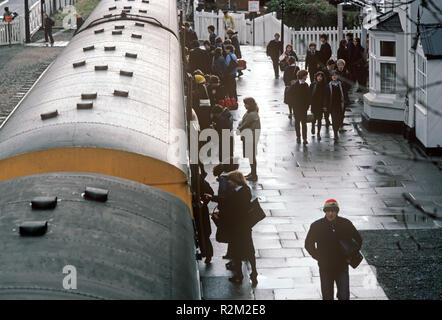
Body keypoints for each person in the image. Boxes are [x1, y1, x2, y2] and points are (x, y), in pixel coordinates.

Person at [205, 171, 258, 286]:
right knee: (249, 251)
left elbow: (233, 209)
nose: (228, 182)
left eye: (230, 180)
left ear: (236, 181)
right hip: (244, 228)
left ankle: (240, 276)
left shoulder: (241, 193)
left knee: (238, 253)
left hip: (239, 229)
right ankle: (253, 273)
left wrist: (221, 215)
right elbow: (227, 201)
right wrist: (213, 198)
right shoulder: (243, 190)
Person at [305, 199, 362, 300]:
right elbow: (309, 245)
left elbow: (358, 240)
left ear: (337, 211)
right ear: (325, 211)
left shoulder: (345, 224)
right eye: (328, 211)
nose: (331, 213)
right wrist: (319, 257)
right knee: (327, 296)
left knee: (344, 296)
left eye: (333, 211)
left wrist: (351, 255)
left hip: (342, 265)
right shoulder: (317, 226)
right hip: (325, 267)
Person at [237, 97, 261, 181]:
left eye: (246, 104)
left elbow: (244, 124)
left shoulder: (252, 114)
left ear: (249, 104)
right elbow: (243, 122)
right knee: (251, 156)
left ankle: (254, 175)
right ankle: (252, 173)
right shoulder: (250, 113)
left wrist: (239, 128)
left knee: (251, 157)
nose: (244, 105)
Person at [194, 174, 214, 264]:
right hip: (198, 210)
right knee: (203, 233)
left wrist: (203, 202)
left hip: (200, 211)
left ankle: (207, 253)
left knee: (204, 233)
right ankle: (206, 253)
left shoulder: (199, 180)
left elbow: (210, 192)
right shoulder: (199, 179)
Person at [288, 70, 310, 145]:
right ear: (302, 76)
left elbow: (308, 96)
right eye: (306, 75)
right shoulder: (294, 85)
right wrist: (293, 104)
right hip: (296, 107)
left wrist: (307, 105)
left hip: (304, 107)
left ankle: (304, 138)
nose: (307, 77)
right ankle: (298, 136)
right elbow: (289, 95)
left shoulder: (306, 85)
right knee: (297, 122)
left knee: (304, 123)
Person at [325, 71, 345, 142]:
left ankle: (337, 127)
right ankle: (335, 132)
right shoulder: (328, 86)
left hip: (340, 104)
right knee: (334, 119)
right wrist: (325, 105)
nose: (334, 77)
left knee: (339, 118)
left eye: (335, 75)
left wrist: (345, 102)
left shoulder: (341, 85)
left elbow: (344, 94)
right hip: (332, 105)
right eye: (333, 75)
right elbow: (326, 96)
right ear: (331, 77)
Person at [310, 71, 327, 141]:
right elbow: (310, 94)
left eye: (321, 77)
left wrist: (325, 105)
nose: (319, 78)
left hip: (321, 105)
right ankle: (313, 126)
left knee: (319, 119)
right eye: (318, 76)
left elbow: (325, 96)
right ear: (316, 77)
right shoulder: (313, 84)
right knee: (314, 118)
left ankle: (318, 133)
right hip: (314, 104)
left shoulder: (324, 85)